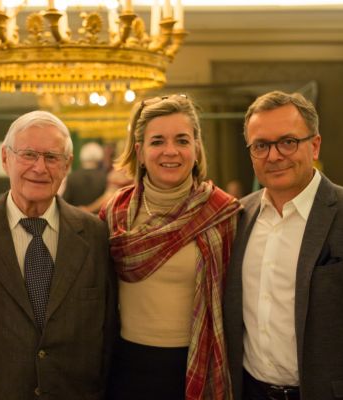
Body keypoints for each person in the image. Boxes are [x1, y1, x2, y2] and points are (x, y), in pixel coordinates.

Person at [223, 90, 343, 399]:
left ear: (314, 146)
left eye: (288, 142)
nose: (274, 156)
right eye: (261, 145)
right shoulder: (236, 218)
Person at [0, 110, 117, 399]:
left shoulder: (96, 234)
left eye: (52, 157)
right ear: (5, 158)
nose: (40, 168)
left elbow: (109, 330)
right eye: (28, 155)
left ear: (67, 166)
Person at [100, 94, 242, 400]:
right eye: (157, 142)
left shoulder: (223, 213)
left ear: (196, 147)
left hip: (196, 364)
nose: (170, 152)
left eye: (181, 140)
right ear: (139, 152)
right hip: (125, 367)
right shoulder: (114, 213)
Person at [63, 141, 108, 209]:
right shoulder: (104, 177)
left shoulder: (72, 177)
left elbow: (65, 201)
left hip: (75, 216)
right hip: (96, 218)